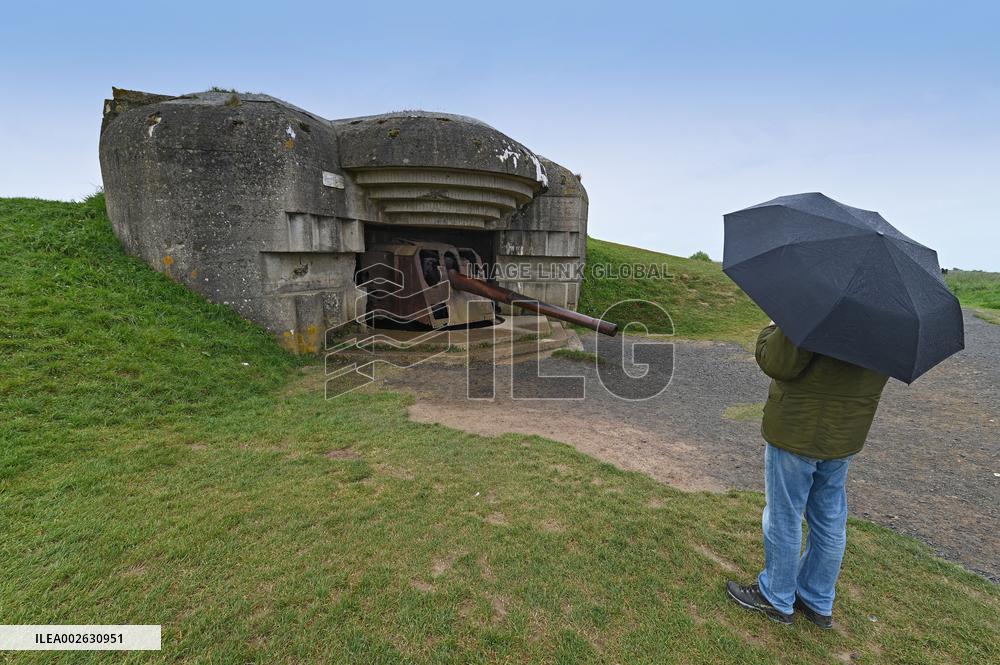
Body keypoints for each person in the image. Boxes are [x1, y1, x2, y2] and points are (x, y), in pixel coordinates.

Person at [726, 322, 889, 628]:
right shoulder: (892, 321)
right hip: (845, 433)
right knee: (829, 516)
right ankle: (816, 599)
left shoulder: (818, 307)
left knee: (784, 515)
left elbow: (778, 362)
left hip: (797, 431)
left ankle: (775, 595)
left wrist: (774, 328)